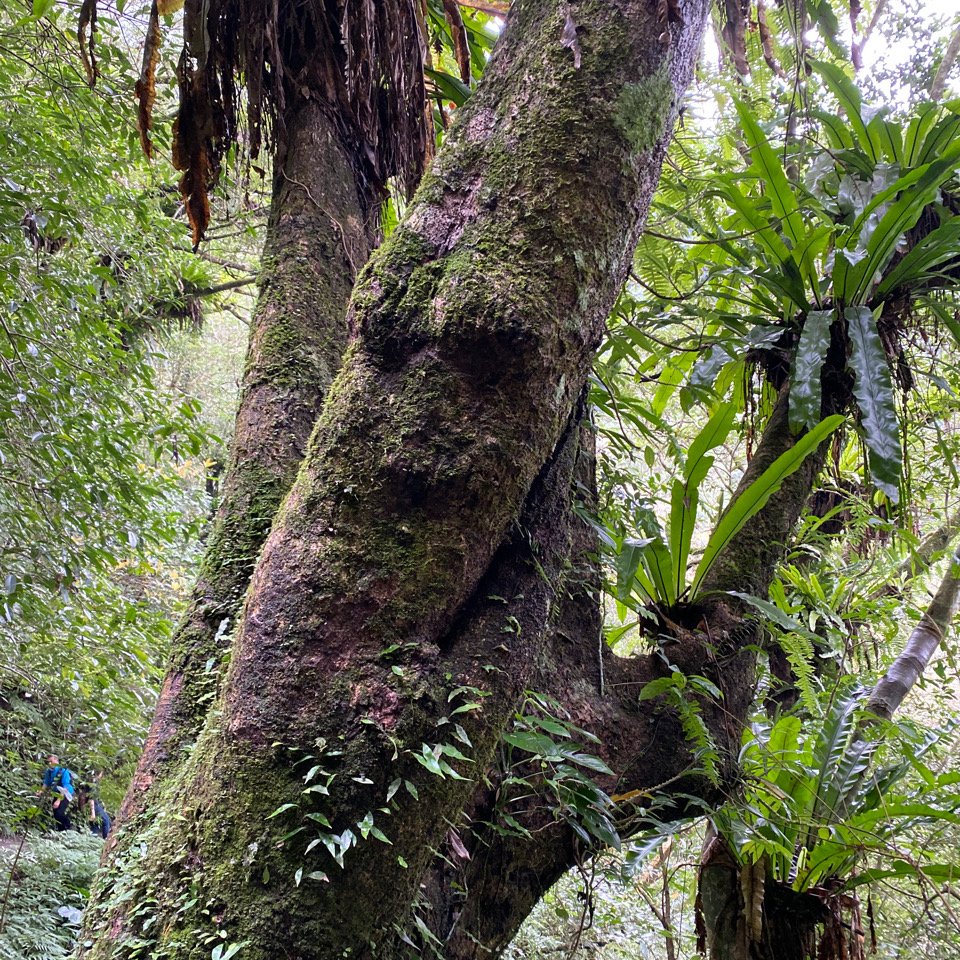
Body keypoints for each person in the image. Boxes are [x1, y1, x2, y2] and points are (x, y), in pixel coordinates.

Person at [40, 754, 74, 831]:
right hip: (57, 792)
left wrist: (58, 800)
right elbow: (46, 783)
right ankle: (60, 830)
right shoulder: (49, 771)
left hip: (66, 793)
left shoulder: (63, 771)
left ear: (56, 761)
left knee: (59, 812)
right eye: (48, 762)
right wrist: (40, 791)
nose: (49, 764)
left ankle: (68, 827)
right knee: (55, 813)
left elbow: (65, 786)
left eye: (51, 761)